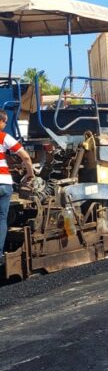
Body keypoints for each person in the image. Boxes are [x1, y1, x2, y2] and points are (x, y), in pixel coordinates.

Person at [0, 110, 34, 265]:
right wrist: (30, 173)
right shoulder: (4, 137)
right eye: (5, 122)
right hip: (3, 183)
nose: (5, 125)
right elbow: (25, 156)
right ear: (1, 122)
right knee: (1, 219)